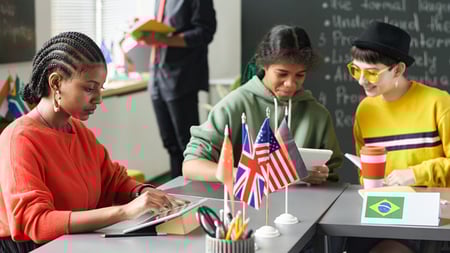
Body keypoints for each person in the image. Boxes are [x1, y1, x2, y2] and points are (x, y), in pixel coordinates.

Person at [0, 32, 186, 253]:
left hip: (75, 241)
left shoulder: (77, 130)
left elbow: (112, 179)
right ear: (56, 83)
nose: (98, 98)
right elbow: (36, 223)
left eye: (100, 89)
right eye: (89, 88)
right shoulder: (19, 139)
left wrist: (143, 193)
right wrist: (125, 212)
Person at [182, 24, 343, 184]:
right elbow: (191, 166)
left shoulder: (318, 115)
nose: (290, 83)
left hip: (299, 205)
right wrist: (252, 175)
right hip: (242, 205)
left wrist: (322, 175)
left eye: (299, 75)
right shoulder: (233, 106)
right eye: (282, 73)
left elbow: (332, 175)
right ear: (265, 65)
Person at [347, 21, 450, 253]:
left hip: (430, 213)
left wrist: (414, 174)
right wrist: (370, 181)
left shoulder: (438, 102)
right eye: (355, 70)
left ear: (398, 69)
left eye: (372, 73)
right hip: (383, 210)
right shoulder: (365, 110)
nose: (362, 80)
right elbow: (365, 170)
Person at [138, 0, 216, 178]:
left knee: (188, 146)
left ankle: (194, 196)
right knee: (170, 144)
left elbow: (205, 33)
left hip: (181, 78)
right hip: (157, 75)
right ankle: (176, 194)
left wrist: (163, 39)